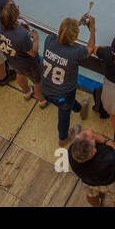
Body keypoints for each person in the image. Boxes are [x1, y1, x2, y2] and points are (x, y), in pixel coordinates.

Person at [42, 14, 96, 147]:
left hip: (45, 87)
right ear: (75, 37)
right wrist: (93, 29)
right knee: (64, 116)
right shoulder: (75, 52)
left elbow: (62, 35)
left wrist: (77, 23)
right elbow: (90, 49)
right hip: (63, 94)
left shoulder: (49, 40)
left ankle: (79, 109)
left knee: (69, 102)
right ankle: (63, 138)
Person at [68, 129, 115, 207]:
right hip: (111, 183)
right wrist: (109, 143)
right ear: (93, 152)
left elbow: (89, 134)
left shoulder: (72, 152)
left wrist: (104, 141)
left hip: (88, 182)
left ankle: (96, 205)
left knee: (91, 194)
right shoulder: (108, 159)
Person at [0, 0, 47, 106]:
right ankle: (42, 100)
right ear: (14, 19)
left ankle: (26, 92)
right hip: (29, 64)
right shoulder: (21, 35)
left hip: (13, 60)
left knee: (19, 74)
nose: (17, 6)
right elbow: (33, 52)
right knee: (37, 81)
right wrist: (36, 39)